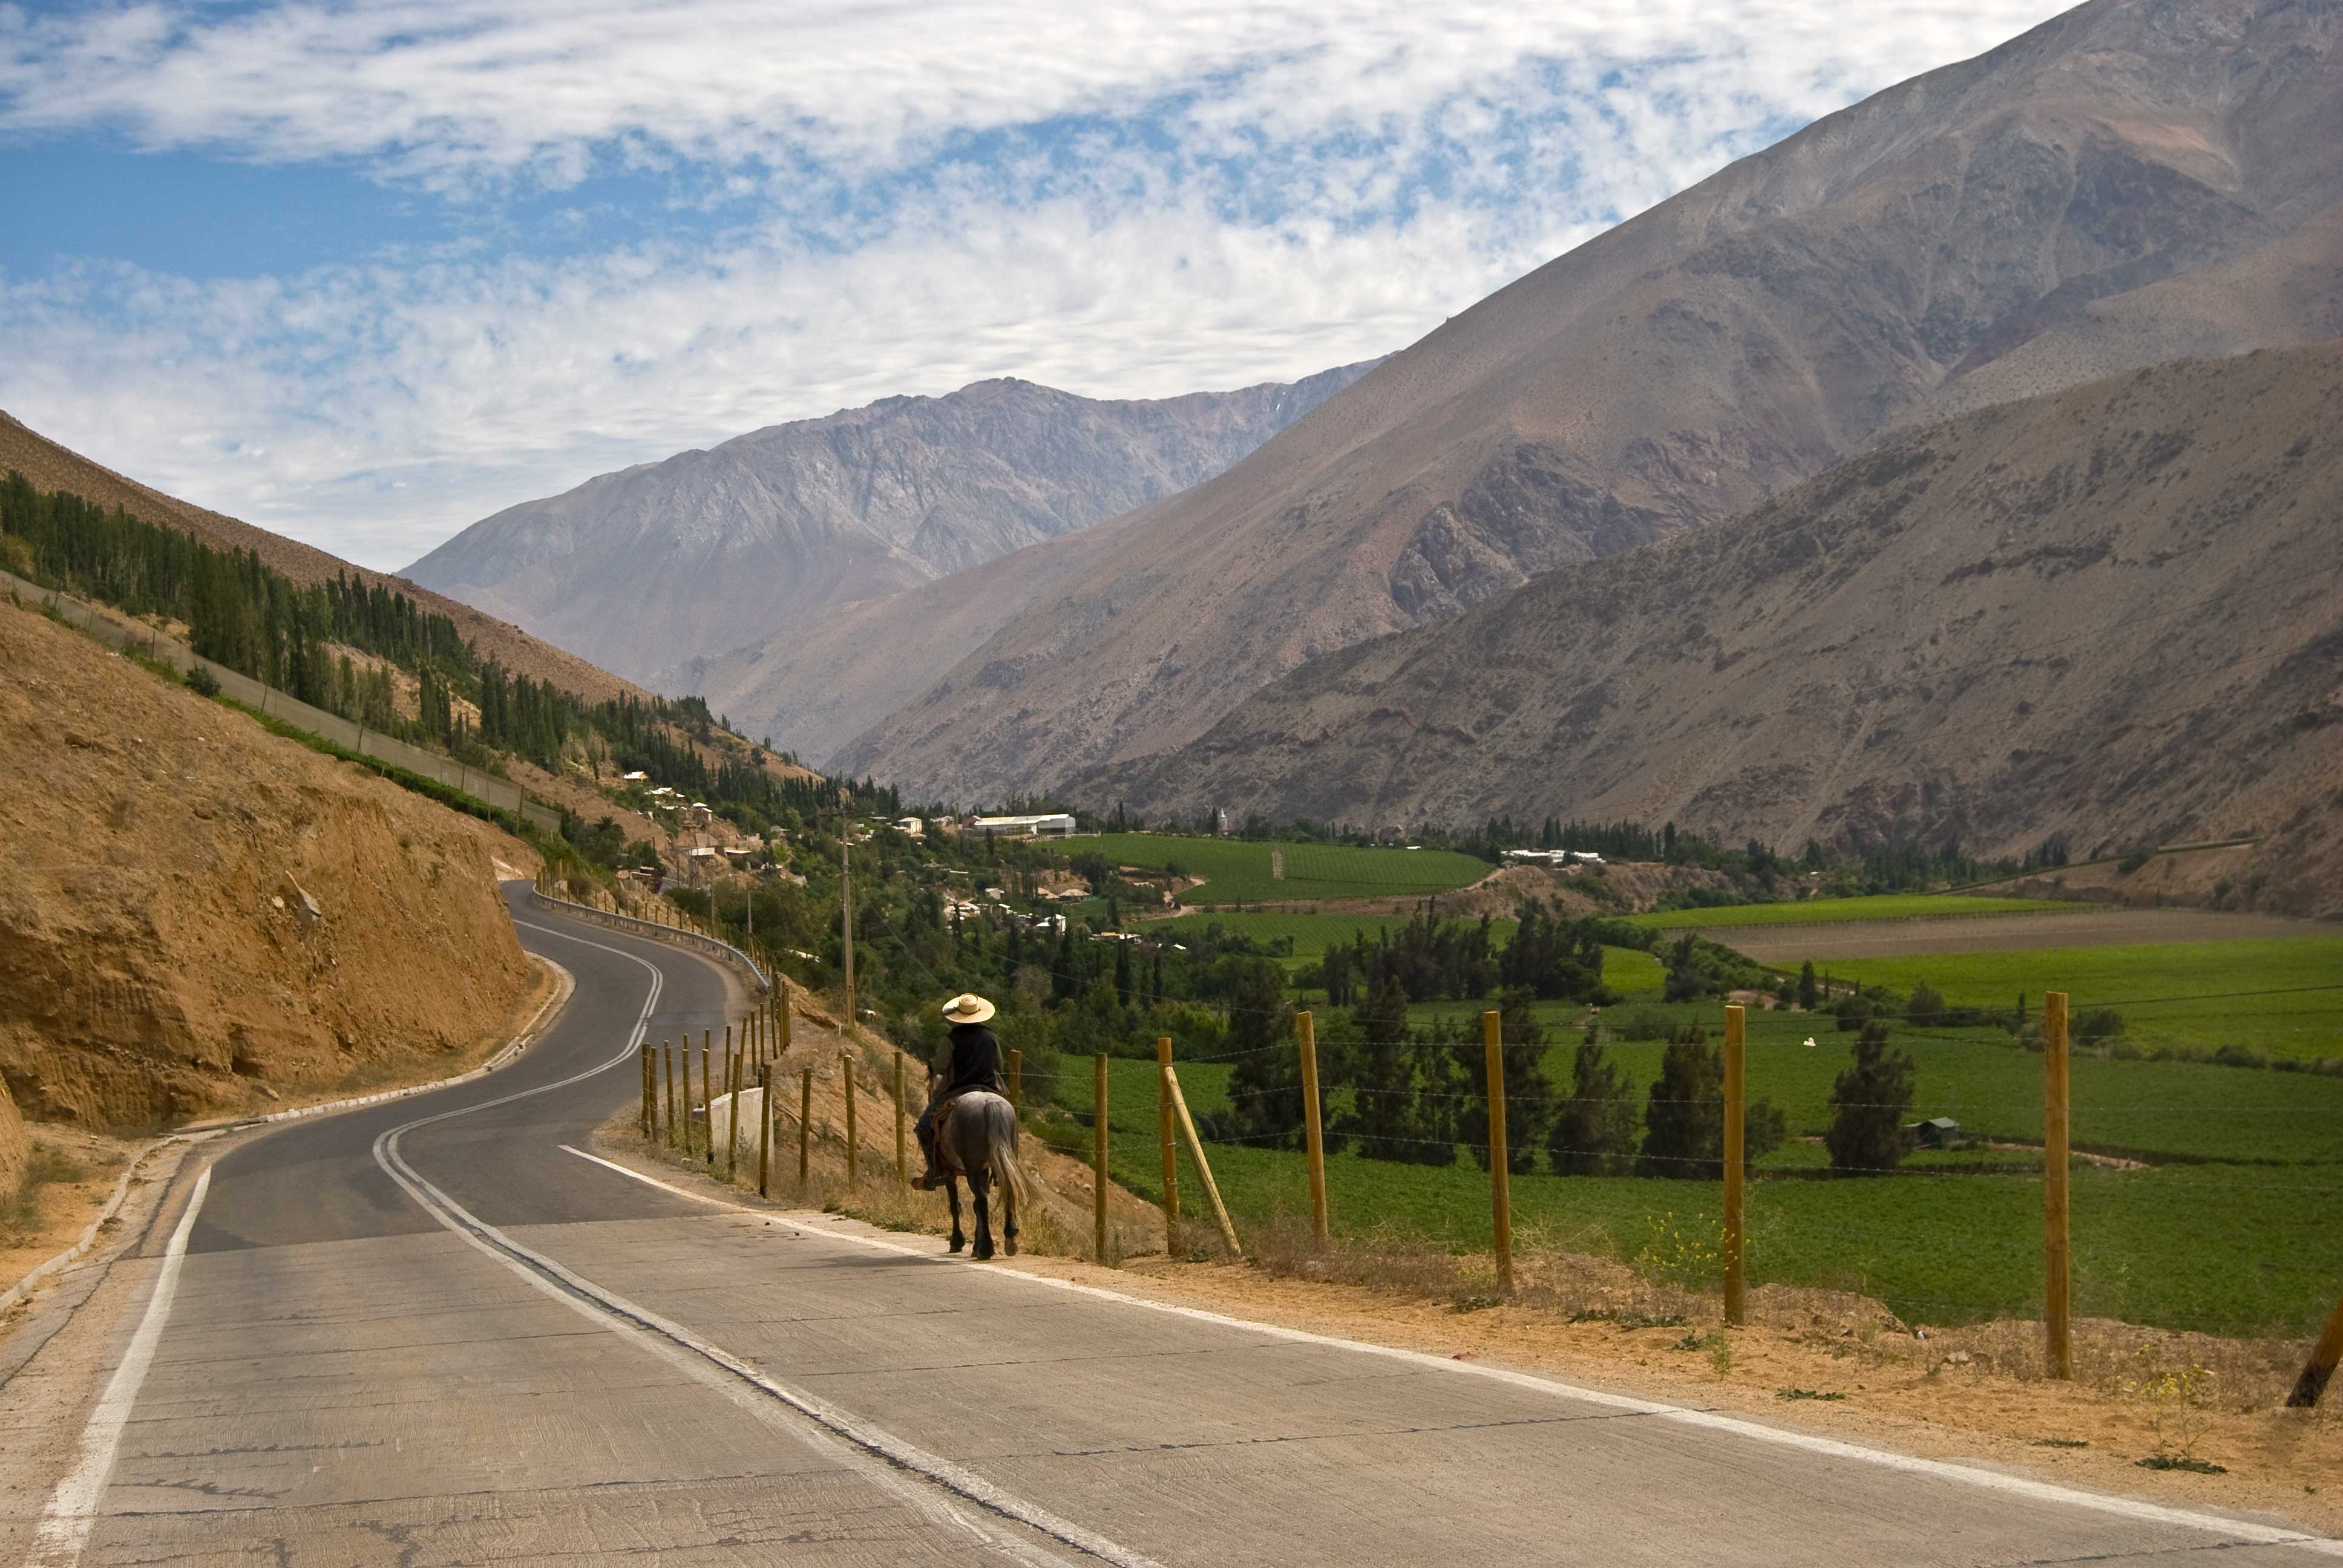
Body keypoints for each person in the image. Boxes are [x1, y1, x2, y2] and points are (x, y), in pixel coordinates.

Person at [913, 993, 1005, 1189]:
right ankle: (1001, 1169)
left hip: (958, 1091)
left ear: (960, 1016)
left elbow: (938, 1068)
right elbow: (1001, 1065)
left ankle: (936, 1173)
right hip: (989, 1088)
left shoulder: (952, 1038)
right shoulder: (991, 1036)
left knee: (922, 1128)